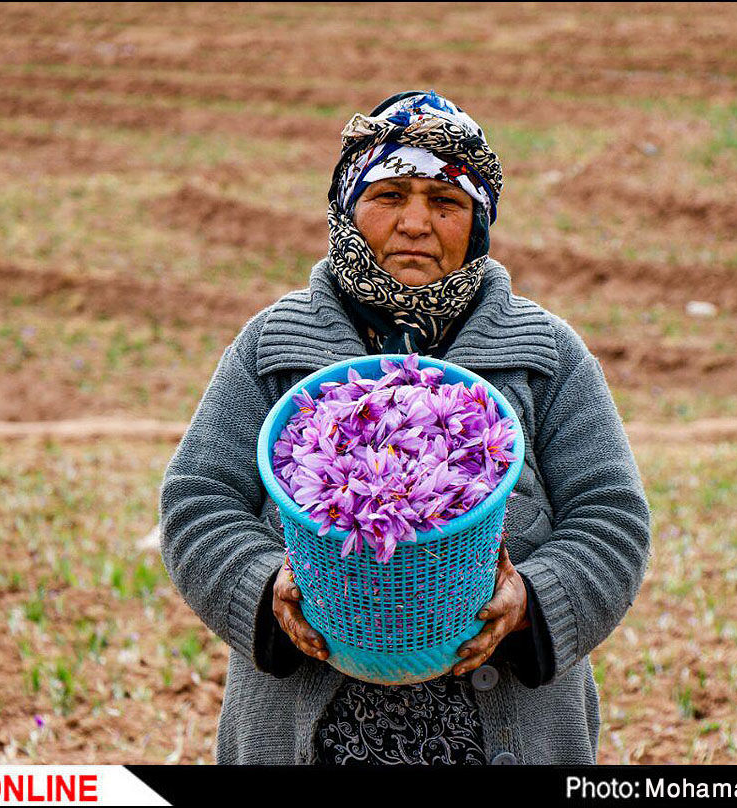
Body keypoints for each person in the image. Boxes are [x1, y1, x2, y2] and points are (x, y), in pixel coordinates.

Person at [159, 91, 651, 765]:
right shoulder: (275, 345)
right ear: (346, 207)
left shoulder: (546, 354)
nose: (416, 222)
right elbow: (197, 500)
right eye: (390, 195)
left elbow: (611, 517)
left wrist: (532, 602)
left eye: (445, 203)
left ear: (477, 224)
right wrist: (264, 588)